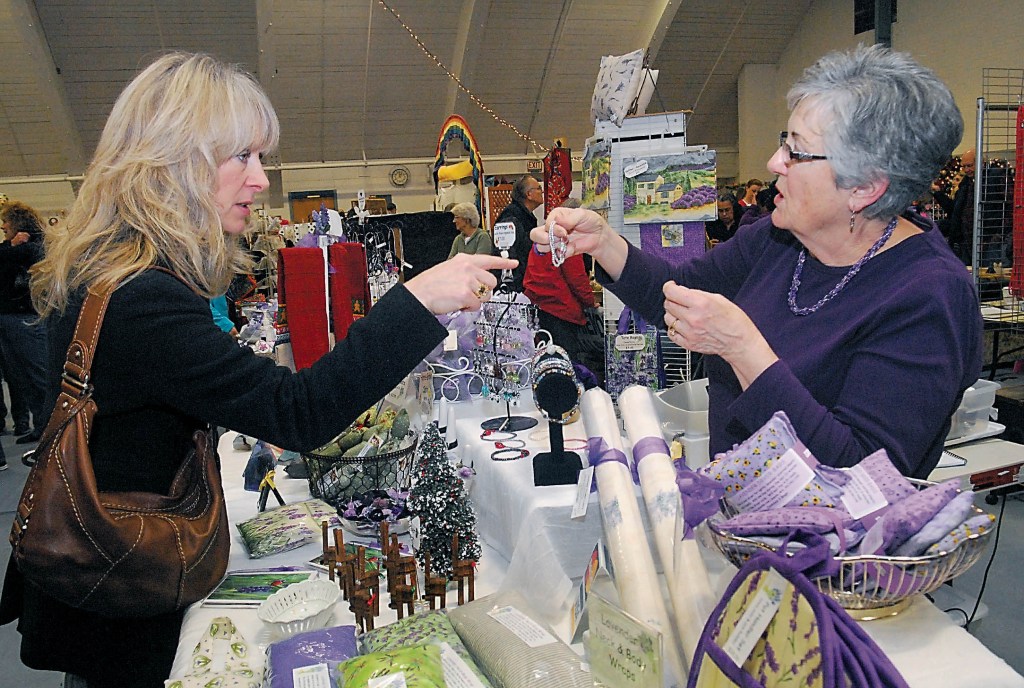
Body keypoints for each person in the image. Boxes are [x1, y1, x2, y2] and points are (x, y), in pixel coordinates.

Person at [0, 52, 515, 688]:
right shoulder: (143, 296)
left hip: (108, 573)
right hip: (124, 586)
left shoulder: (113, 271)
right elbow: (298, 412)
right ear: (173, 163)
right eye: (240, 156)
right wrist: (417, 301)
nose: (260, 179)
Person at [532, 45, 980, 480]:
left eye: (796, 152)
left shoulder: (927, 295)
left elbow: (859, 472)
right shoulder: (778, 237)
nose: (774, 162)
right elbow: (679, 291)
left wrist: (743, 349)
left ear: (864, 187)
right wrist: (604, 243)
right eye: (784, 143)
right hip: (739, 512)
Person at [523, 198, 599, 374]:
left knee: (544, 360)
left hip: (538, 306)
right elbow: (576, 278)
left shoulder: (543, 237)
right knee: (565, 361)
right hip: (560, 308)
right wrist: (589, 301)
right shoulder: (567, 239)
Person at [0, 201, 50, 445]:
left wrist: (13, 247)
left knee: (38, 376)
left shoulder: (36, 244)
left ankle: (51, 426)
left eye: (6, 221)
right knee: (22, 377)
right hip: (9, 318)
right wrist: (11, 246)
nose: (3, 226)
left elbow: (33, 254)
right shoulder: (10, 246)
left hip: (27, 319)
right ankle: (40, 424)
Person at [491, 175, 543, 292]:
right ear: (528, 194)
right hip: (514, 287)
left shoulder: (524, 216)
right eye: (539, 188)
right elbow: (506, 254)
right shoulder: (510, 218)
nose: (542, 191)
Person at [933, 149, 974, 264]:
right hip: (961, 238)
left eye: (969, 165)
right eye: (964, 166)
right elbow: (953, 210)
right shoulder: (964, 187)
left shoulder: (969, 186)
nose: (967, 169)